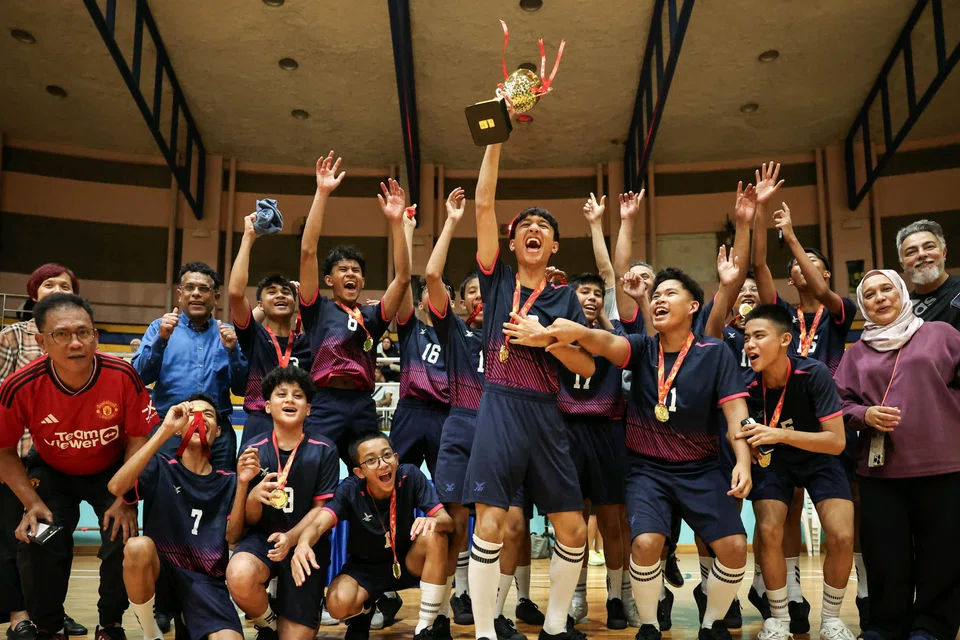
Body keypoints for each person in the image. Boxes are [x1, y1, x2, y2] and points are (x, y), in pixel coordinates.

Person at [542, 267, 753, 640]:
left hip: (701, 468)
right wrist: (574, 331)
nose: (658, 299)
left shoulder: (715, 352)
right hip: (647, 469)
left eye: (669, 294)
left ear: (693, 307)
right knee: (645, 543)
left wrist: (742, 461)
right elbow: (607, 344)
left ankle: (711, 622)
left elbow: (736, 411)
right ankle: (651, 625)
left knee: (736, 547)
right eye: (656, 295)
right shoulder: (643, 348)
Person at [462, 142, 597, 640]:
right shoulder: (496, 279)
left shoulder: (566, 298)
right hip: (499, 406)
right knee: (490, 523)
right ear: (511, 243)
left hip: (546, 411)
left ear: (555, 246)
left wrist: (550, 339)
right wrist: (496, 139)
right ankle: (483, 632)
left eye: (544, 228)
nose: (533, 231)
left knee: (573, 529)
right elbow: (483, 201)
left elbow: (584, 365)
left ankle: (556, 627)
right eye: (524, 228)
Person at [0, 293, 158, 640]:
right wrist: (31, 503)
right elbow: (4, 451)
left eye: (84, 332)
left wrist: (126, 497)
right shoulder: (19, 385)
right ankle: (50, 626)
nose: (75, 342)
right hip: (52, 473)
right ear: (42, 342)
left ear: (96, 337)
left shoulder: (122, 374)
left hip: (112, 472)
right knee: (37, 540)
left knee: (122, 534)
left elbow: (137, 439)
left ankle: (110, 624)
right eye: (61, 334)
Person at [426, 188, 543, 640]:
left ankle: (497, 611)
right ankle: (454, 597)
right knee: (454, 521)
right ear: (461, 302)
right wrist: (453, 221)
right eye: (471, 292)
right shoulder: (454, 332)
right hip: (461, 426)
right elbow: (433, 273)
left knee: (513, 525)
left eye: (485, 292)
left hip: (506, 430)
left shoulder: (519, 330)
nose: (479, 299)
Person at [834, 269, 960, 640]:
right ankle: (887, 625)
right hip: (881, 470)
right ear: (863, 305)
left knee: (942, 552)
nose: (879, 298)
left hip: (943, 463)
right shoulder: (856, 353)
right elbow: (837, 405)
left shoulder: (942, 334)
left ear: (902, 292)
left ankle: (932, 627)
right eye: (869, 294)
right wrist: (864, 415)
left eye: (886, 288)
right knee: (885, 555)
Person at [753, 194, 858, 632]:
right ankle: (785, 603)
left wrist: (793, 237)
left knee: (844, 531)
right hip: (779, 422)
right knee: (778, 522)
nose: (800, 268)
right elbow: (758, 270)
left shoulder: (838, 311)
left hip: (825, 419)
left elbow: (818, 288)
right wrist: (756, 219)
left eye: (810, 263)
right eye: (795, 263)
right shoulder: (779, 318)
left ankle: (834, 616)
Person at [736, 304, 856, 640]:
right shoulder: (745, 383)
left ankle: (831, 619)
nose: (750, 344)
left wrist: (778, 434)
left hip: (819, 456)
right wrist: (753, 443)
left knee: (843, 535)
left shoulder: (814, 373)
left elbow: (835, 442)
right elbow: (741, 426)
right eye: (747, 337)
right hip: (776, 462)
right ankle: (778, 619)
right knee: (769, 529)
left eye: (759, 336)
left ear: (785, 339)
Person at [107, 395, 258, 640]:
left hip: (206, 582)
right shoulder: (160, 466)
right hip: (163, 576)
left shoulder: (229, 480)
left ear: (218, 431)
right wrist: (164, 431)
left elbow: (233, 538)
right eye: (192, 414)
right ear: (179, 427)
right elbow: (116, 487)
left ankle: (190, 618)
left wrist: (242, 485)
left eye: (208, 414)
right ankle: (151, 632)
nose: (199, 418)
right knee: (137, 547)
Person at [297, 152, 411, 462]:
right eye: (343, 269)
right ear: (328, 279)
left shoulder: (372, 315)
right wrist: (322, 193)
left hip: (362, 402)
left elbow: (402, 279)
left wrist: (396, 223)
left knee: (373, 472)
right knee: (316, 471)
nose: (351, 274)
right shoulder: (316, 309)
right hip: (325, 402)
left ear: (362, 281)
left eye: (356, 271)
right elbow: (308, 251)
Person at [291, 433, 454, 640]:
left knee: (436, 534)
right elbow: (318, 523)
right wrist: (303, 543)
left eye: (387, 455)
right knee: (337, 604)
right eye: (372, 460)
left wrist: (434, 521)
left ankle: (425, 627)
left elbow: (447, 522)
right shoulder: (350, 489)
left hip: (405, 562)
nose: (383, 464)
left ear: (396, 457)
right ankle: (365, 611)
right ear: (359, 471)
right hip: (365, 568)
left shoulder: (409, 475)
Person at [0, 264, 88, 640]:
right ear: (34, 294)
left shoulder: (76, 344)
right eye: (48, 284)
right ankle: (19, 615)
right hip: (13, 455)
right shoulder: (13, 337)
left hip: (52, 459)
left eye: (64, 285)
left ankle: (51, 612)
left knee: (52, 540)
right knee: (12, 540)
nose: (55, 289)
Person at [226, 366, 340, 640]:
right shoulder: (253, 447)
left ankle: (295, 604)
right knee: (239, 574)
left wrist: (291, 539)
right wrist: (249, 492)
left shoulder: (325, 449)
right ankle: (269, 623)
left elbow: (320, 510)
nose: (289, 400)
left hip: (304, 544)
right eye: (281, 394)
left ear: (309, 409)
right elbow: (246, 523)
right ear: (267, 406)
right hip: (262, 539)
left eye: (298, 396)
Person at [558, 272, 630, 631]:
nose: (591, 298)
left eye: (597, 294)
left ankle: (617, 596)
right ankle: (576, 594)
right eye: (583, 291)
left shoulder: (613, 338)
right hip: (567, 431)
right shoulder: (555, 333)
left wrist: (605, 317)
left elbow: (623, 341)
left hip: (608, 429)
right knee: (573, 518)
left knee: (612, 519)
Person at [133, 261, 247, 469]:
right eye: (189, 288)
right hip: (169, 428)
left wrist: (233, 351)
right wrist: (161, 340)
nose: (196, 294)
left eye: (204, 289)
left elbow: (241, 388)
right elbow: (139, 377)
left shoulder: (229, 334)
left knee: (221, 495)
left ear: (216, 297)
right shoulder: (160, 327)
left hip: (217, 433)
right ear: (179, 294)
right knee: (163, 495)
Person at [230, 211, 312, 444]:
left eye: (286, 292)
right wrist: (248, 237)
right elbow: (236, 294)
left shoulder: (306, 343)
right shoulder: (253, 336)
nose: (280, 295)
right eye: (272, 292)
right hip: (260, 420)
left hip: (300, 422)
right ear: (260, 305)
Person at [389, 208, 450, 478]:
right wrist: (407, 230)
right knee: (395, 483)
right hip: (410, 410)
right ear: (421, 302)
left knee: (450, 488)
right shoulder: (410, 327)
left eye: (443, 290)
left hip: (447, 414)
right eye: (427, 290)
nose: (435, 294)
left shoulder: (462, 336)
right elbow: (403, 279)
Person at [896, 219, 960, 329]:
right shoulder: (902, 310)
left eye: (929, 247)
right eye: (911, 252)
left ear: (943, 253)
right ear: (903, 265)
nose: (921, 254)